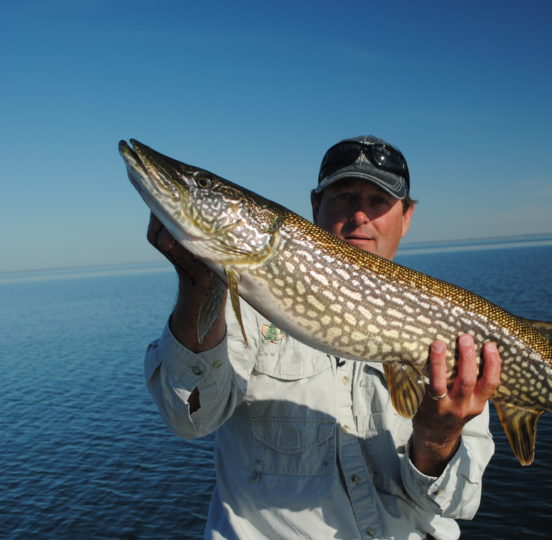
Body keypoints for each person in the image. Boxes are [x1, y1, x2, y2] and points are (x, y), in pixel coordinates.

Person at [145, 135, 501, 539]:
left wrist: (438, 441)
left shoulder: (448, 332)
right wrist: (199, 286)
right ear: (315, 207)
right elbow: (190, 419)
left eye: (379, 201)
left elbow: (458, 503)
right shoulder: (238, 309)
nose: (360, 216)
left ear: (407, 216)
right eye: (345, 196)